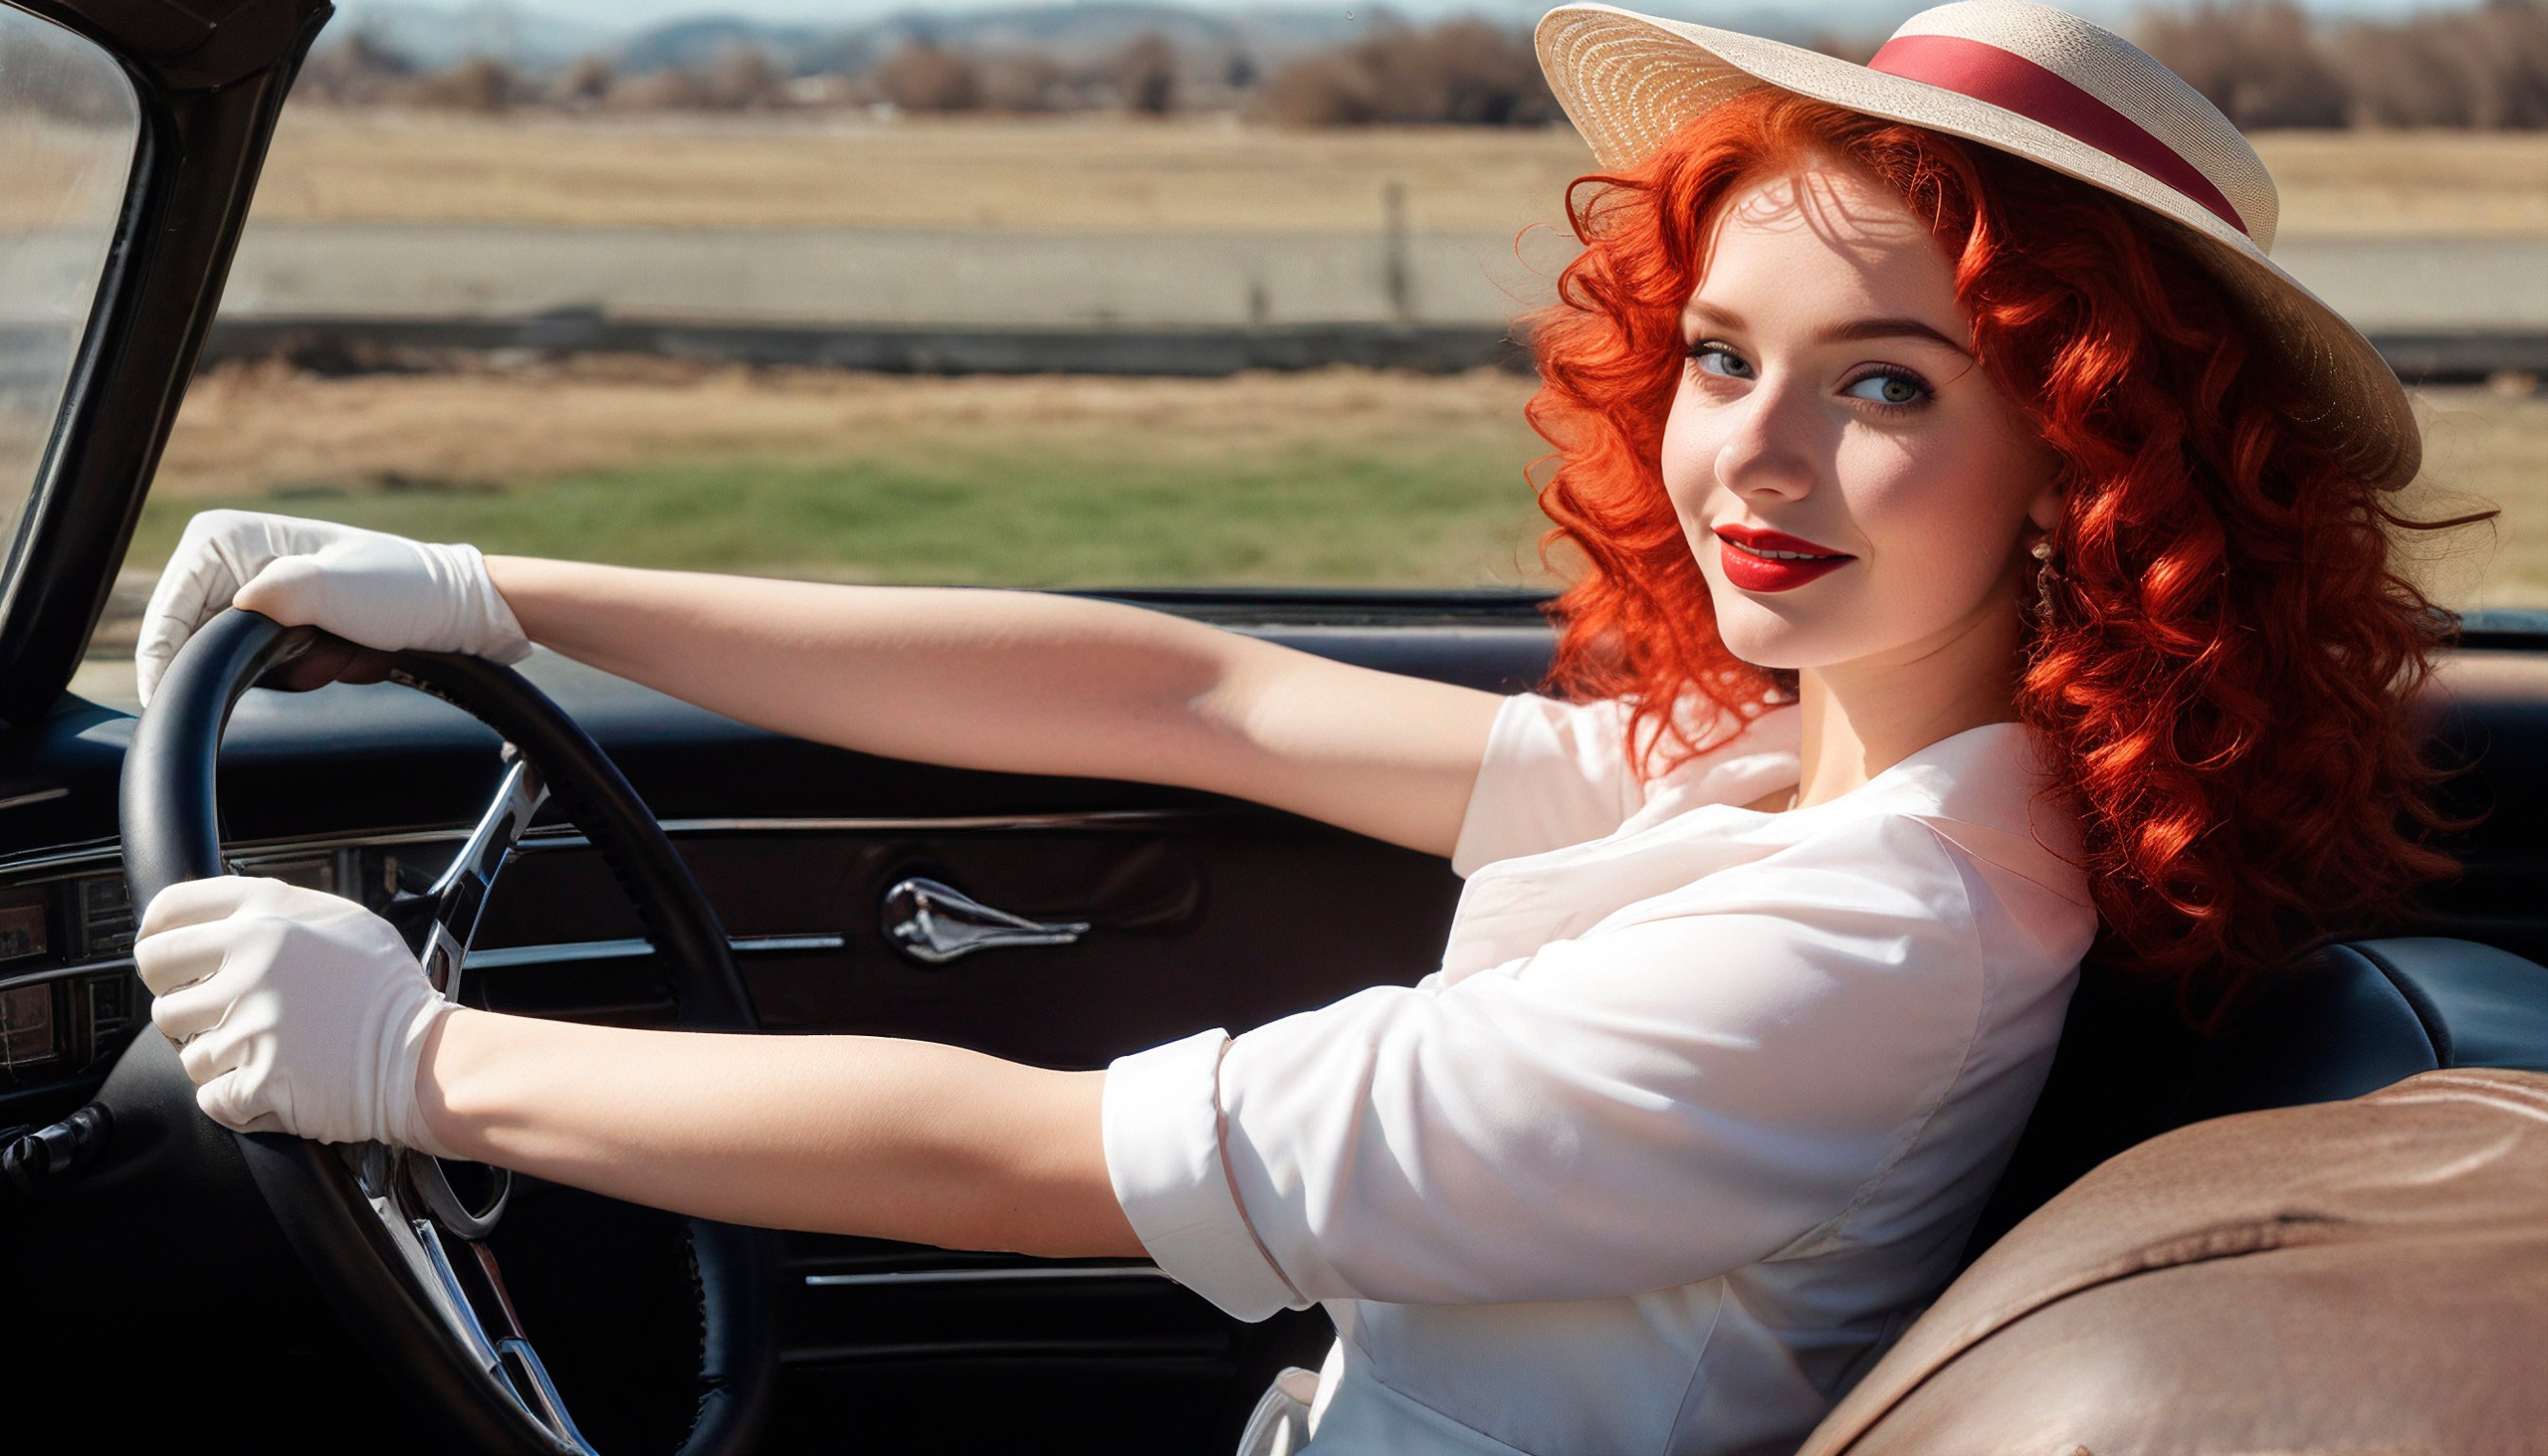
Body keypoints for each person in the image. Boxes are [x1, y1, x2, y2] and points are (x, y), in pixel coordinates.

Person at [127, 3, 2469, 1451]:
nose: (1747, 461)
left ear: (2089, 460)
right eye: (1722, 357)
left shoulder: (1877, 936)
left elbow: (1058, 1164)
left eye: (1883, 388)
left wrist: (420, 1070)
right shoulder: (1789, 763)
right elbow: (1188, 686)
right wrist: (497, 591)